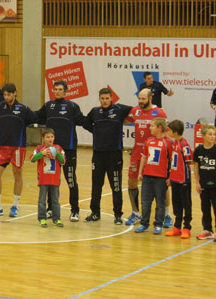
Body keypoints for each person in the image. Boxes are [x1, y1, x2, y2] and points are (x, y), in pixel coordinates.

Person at [0, 83, 36, 217]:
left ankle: (15, 206)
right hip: (3, 148)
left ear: (15, 93)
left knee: (17, 174)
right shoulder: (1, 106)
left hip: (18, 147)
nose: (6, 97)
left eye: (9, 94)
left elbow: (35, 118)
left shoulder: (23, 108)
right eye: (5, 95)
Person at [35, 80, 86, 222]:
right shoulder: (48, 106)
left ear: (65, 91)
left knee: (71, 180)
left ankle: (75, 210)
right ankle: (50, 209)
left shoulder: (72, 106)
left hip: (68, 150)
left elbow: (83, 121)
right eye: (55, 89)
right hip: (51, 151)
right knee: (51, 181)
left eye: (60, 89)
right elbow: (36, 116)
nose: (57, 92)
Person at [82, 87, 134, 224]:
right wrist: (96, 131)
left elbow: (136, 111)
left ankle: (118, 214)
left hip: (114, 155)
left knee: (116, 185)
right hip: (98, 155)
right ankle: (95, 213)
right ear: (99, 99)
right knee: (96, 185)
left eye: (107, 98)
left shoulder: (119, 109)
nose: (105, 101)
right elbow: (86, 123)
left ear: (111, 98)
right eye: (102, 98)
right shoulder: (95, 111)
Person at [125, 88, 168, 226]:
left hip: (153, 155)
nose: (140, 101)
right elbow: (123, 120)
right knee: (131, 182)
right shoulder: (135, 111)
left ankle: (167, 215)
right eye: (139, 98)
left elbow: (166, 133)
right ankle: (136, 213)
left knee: (161, 186)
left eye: (143, 99)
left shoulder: (159, 113)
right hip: (137, 152)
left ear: (150, 98)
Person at [135, 118, 170, 234]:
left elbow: (171, 160)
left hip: (161, 177)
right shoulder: (149, 141)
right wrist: (140, 172)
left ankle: (158, 224)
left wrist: (169, 176)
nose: (149, 128)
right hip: (147, 176)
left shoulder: (168, 142)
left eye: (152, 126)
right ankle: (144, 223)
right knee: (145, 202)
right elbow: (144, 157)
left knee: (160, 202)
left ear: (159, 127)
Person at [193, 124, 216, 242]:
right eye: (210, 134)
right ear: (203, 136)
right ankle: (207, 230)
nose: (212, 137)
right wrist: (197, 183)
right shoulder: (198, 150)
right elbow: (196, 167)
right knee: (205, 208)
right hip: (203, 185)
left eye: (214, 134)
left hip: (215, 185)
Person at [31, 128, 65, 228]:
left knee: (55, 200)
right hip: (43, 179)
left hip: (55, 179)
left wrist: (57, 153)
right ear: (43, 138)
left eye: (52, 137)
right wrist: (42, 154)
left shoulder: (58, 148)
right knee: (42, 200)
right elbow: (32, 158)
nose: (50, 139)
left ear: (54, 138)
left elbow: (63, 161)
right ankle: (42, 218)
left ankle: (57, 219)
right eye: (47, 137)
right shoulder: (39, 148)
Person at [165, 120, 193, 239]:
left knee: (186, 203)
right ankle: (177, 227)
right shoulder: (174, 143)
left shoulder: (184, 144)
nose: (168, 132)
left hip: (183, 179)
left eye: (170, 130)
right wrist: (171, 177)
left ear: (175, 132)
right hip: (175, 179)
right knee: (176, 203)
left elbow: (189, 160)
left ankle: (187, 227)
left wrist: (184, 176)